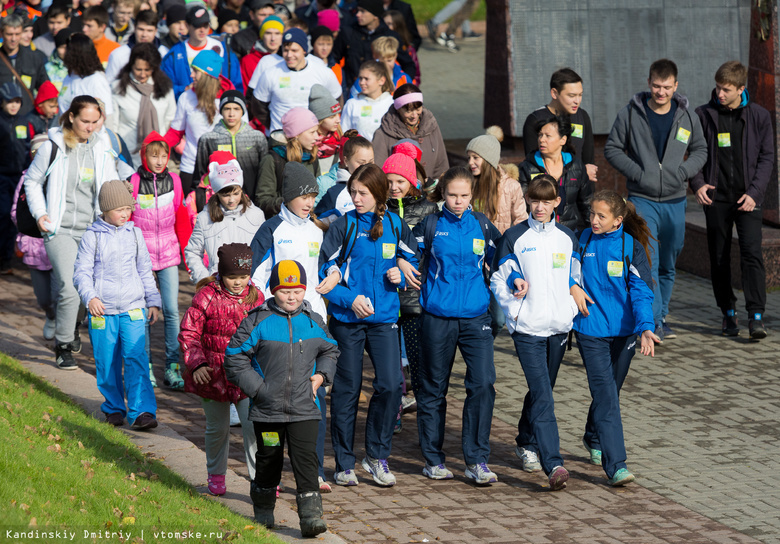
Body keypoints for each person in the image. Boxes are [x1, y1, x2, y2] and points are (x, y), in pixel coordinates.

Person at [318, 163, 418, 487]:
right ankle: (344, 463)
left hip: (385, 318)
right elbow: (325, 271)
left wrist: (400, 275)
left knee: (391, 386)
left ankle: (375, 456)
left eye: (362, 193)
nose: (356, 198)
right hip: (348, 320)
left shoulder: (395, 224)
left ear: (378, 194)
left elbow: (414, 262)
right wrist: (350, 299)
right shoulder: (343, 226)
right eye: (353, 192)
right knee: (347, 390)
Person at [400, 165, 500, 483]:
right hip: (437, 317)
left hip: (476, 318)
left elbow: (505, 260)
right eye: (452, 195)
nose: (458, 201)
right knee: (433, 389)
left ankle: (476, 461)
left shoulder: (483, 225)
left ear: (472, 195)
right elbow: (406, 252)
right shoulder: (430, 224)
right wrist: (403, 262)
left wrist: (515, 279)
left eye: (464, 196)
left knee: (483, 384)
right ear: (443, 194)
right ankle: (433, 459)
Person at [224, 260, 336, 537]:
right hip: (267, 411)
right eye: (285, 291)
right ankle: (263, 510)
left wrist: (322, 376)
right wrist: (259, 389)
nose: (291, 297)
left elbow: (330, 350)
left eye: (297, 291)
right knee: (268, 458)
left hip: (305, 409)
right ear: (274, 290)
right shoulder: (258, 320)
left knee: (306, 460)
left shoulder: (313, 321)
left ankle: (310, 517)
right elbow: (234, 357)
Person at [604, 58, 707, 342]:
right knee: (649, 259)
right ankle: (655, 321)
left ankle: (661, 314)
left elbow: (701, 149)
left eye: (666, 87)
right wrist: (638, 172)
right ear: (649, 83)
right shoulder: (631, 114)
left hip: (675, 200)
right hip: (642, 198)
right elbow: (612, 148)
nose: (661, 92)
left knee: (669, 261)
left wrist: (683, 172)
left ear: (676, 86)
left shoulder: (687, 117)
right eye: (656, 86)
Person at [490, 175, 577, 491]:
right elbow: (497, 279)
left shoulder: (568, 238)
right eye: (534, 200)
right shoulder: (514, 236)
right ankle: (552, 462)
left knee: (543, 391)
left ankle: (525, 441)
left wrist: (571, 311)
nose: (539, 207)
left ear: (557, 202)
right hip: (527, 329)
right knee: (543, 394)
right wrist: (514, 308)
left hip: (558, 329)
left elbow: (574, 280)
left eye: (546, 200)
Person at [250, 162, 333, 492]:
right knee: (274, 399)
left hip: (313, 324)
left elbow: (320, 272)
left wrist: (334, 276)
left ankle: (313, 472)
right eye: (303, 195)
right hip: (277, 328)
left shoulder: (316, 231)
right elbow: (255, 278)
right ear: (288, 196)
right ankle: (270, 473)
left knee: (314, 394)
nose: (310, 202)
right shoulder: (272, 229)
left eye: (313, 195)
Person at [24, 95, 120, 370]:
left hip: (91, 229)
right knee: (69, 285)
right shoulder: (53, 146)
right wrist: (41, 213)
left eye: (95, 121)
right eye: (85, 122)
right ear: (71, 118)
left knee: (87, 288)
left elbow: (109, 183)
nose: (90, 127)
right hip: (59, 228)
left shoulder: (102, 145)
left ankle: (74, 323)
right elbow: (32, 181)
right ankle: (63, 345)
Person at [570, 190, 658, 486]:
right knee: (606, 395)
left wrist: (646, 327)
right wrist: (573, 286)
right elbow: (564, 272)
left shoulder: (629, 246)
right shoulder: (581, 240)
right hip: (590, 329)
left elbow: (642, 290)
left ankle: (592, 436)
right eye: (591, 214)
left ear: (618, 220)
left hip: (625, 332)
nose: (593, 220)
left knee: (610, 391)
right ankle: (616, 464)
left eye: (601, 216)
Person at [691, 61, 773, 340]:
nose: (720, 93)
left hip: (748, 199)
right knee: (719, 257)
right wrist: (698, 184)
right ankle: (727, 312)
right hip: (717, 199)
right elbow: (694, 154)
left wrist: (755, 193)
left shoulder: (759, 116)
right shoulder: (704, 114)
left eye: (726, 89)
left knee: (751, 254)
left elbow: (767, 158)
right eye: (718, 87)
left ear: (741, 89)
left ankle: (756, 315)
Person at [72, 179, 161, 430]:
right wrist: (90, 297)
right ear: (105, 210)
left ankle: (142, 410)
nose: (125, 214)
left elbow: (145, 269)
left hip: (133, 308)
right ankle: (113, 407)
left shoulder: (135, 233)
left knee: (136, 357)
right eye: (119, 209)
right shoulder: (92, 236)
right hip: (103, 310)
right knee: (106, 360)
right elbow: (81, 272)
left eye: (128, 208)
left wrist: (153, 301)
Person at [178, 242, 261, 495]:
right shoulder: (207, 295)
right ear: (221, 274)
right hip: (212, 375)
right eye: (231, 277)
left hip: (246, 375)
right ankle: (215, 475)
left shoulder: (256, 297)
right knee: (218, 428)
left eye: (243, 277)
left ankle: (262, 480)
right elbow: (189, 332)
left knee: (253, 427)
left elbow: (265, 333)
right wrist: (197, 363)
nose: (238, 282)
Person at [383, 144, 437, 432]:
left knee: (419, 363)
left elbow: (433, 251)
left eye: (400, 181)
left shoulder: (429, 210)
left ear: (413, 182)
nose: (394, 187)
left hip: (416, 298)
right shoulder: (379, 210)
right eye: (389, 181)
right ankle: (394, 412)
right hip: (387, 298)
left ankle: (428, 426)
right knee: (391, 365)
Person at [128, 132, 185, 390]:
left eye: (164, 155)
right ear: (145, 155)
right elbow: (128, 220)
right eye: (154, 155)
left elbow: (179, 215)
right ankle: (146, 366)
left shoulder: (175, 180)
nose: (160, 160)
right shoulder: (133, 181)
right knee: (146, 313)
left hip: (169, 254)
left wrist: (184, 251)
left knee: (172, 310)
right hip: (142, 257)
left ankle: (173, 367)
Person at [185, 151, 265, 283]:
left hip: (249, 288)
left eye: (236, 193)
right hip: (217, 288)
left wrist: (259, 281)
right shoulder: (205, 218)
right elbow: (193, 251)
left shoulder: (256, 215)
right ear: (216, 194)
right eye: (225, 195)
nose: (232, 200)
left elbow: (265, 251)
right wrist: (205, 280)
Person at [164, 49, 232, 192]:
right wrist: (158, 147)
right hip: (190, 167)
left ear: (207, 74)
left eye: (196, 71)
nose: (191, 75)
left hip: (223, 168)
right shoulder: (186, 97)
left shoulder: (229, 99)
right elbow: (175, 133)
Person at [252, 27, 342, 134]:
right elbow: (258, 106)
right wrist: (277, 126)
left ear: (304, 50)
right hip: (280, 139)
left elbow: (336, 101)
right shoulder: (270, 73)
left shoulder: (322, 71)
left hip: (313, 138)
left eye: (294, 50)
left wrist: (322, 127)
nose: (289, 55)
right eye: (286, 50)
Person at [11, 134, 57, 337]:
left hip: (56, 243)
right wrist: (28, 224)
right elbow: (16, 209)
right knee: (43, 298)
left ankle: (66, 330)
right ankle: (50, 315)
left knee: (61, 293)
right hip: (34, 244)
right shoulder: (25, 178)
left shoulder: (59, 177)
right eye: (36, 153)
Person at [518, 114, 591, 232]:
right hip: (537, 231)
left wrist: (589, 233)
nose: (542, 139)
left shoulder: (576, 166)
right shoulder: (527, 167)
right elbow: (522, 205)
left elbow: (587, 203)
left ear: (563, 139)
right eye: (540, 135)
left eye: (548, 136)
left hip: (570, 231)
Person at [523, 68, 598, 182]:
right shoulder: (535, 120)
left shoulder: (582, 116)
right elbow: (534, 167)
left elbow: (589, 164)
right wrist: (581, 172)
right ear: (554, 93)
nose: (577, 101)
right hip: (548, 194)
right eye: (572, 96)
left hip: (578, 193)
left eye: (580, 95)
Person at [194, 90, 268, 204]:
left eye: (236, 109)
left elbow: (265, 174)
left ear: (243, 111)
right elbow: (200, 174)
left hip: (252, 200)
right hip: (220, 201)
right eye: (227, 108)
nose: (231, 114)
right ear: (221, 110)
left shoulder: (257, 137)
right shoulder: (208, 139)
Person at [109, 43, 176, 166]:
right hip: (128, 155)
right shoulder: (118, 88)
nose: (142, 74)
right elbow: (113, 125)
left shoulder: (165, 87)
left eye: (147, 70)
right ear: (131, 66)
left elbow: (170, 119)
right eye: (138, 69)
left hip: (158, 157)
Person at [160, 5, 243, 101]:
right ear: (187, 26)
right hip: (190, 105)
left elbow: (237, 83)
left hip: (221, 107)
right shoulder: (174, 55)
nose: (202, 30)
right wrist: (185, 89)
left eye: (205, 25)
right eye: (197, 26)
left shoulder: (224, 49)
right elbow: (166, 88)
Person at [332, 0, 415, 92]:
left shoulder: (390, 36)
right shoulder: (348, 32)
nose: (358, 14)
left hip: (383, 91)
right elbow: (333, 58)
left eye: (363, 11)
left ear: (375, 15)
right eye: (358, 10)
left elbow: (408, 64)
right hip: (353, 88)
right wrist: (341, 83)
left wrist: (401, 86)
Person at [372, 84, 449, 180]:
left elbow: (441, 163)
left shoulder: (431, 125)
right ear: (398, 109)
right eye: (408, 111)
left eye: (418, 109)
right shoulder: (383, 133)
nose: (414, 115)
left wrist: (437, 188)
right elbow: (379, 171)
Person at [255, 107, 322, 217]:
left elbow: (318, 193)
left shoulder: (312, 157)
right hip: (282, 223)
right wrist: (291, 201)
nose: (317, 137)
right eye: (312, 132)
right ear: (296, 134)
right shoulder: (272, 159)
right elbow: (262, 201)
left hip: (307, 223)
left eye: (317, 132)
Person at [314, 129, 373, 219]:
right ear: (346, 161)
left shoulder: (377, 183)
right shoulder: (327, 186)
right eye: (361, 163)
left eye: (371, 162)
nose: (367, 167)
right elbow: (316, 217)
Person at [0, 13, 50, 117]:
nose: (13, 39)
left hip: (27, 117)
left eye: (17, 34)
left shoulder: (34, 58)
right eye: (9, 34)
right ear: (1, 33)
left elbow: (45, 87)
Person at [58, 32, 114, 117]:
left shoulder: (96, 80)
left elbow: (107, 116)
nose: (64, 52)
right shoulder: (69, 77)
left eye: (67, 49)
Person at [105, 10, 168, 84]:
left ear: (156, 31)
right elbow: (109, 84)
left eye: (149, 30)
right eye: (141, 29)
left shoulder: (165, 54)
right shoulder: (118, 55)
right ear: (134, 28)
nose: (144, 34)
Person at [340, 61, 393, 141]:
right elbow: (344, 134)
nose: (362, 82)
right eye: (360, 78)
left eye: (366, 79)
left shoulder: (392, 104)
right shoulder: (352, 104)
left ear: (381, 80)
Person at [241, 13, 283, 100]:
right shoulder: (248, 61)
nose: (273, 38)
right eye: (268, 33)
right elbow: (246, 93)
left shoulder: (289, 60)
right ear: (261, 35)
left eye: (277, 33)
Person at [309, 83, 342, 173]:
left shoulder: (341, 141)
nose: (338, 120)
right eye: (332, 117)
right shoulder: (308, 145)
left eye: (338, 115)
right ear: (319, 120)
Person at [382, 9, 419, 86]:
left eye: (389, 24)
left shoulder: (408, 49)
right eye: (384, 23)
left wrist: (407, 84)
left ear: (398, 26)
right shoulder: (380, 46)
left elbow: (416, 74)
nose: (385, 27)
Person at [45, 27, 72, 92]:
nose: (66, 51)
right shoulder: (47, 69)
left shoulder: (82, 68)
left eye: (68, 47)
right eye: (62, 47)